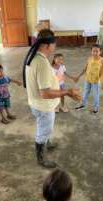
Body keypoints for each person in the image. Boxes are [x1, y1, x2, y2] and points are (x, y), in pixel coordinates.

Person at [23, 29, 81, 168]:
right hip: (43, 106)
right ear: (48, 45)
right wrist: (67, 92)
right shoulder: (41, 63)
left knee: (43, 127)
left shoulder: (33, 56)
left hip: (36, 103)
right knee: (43, 131)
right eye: (54, 44)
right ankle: (41, 158)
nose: (55, 46)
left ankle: (46, 143)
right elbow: (45, 93)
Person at [75, 44, 103, 113]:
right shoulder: (89, 58)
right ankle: (83, 104)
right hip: (88, 79)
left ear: (100, 52)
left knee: (96, 95)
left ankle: (96, 109)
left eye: (97, 51)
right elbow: (85, 68)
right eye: (93, 51)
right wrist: (78, 76)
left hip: (96, 81)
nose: (95, 53)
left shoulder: (102, 60)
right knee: (85, 92)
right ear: (91, 51)